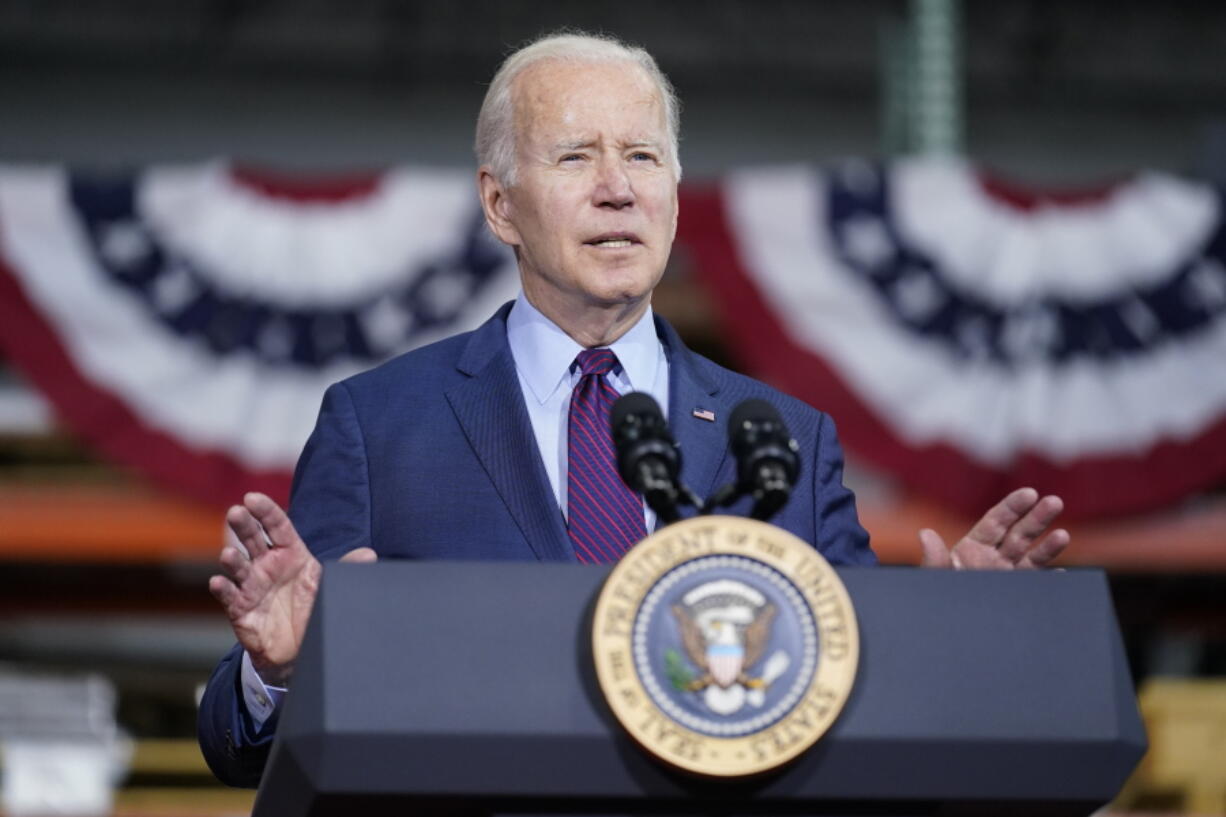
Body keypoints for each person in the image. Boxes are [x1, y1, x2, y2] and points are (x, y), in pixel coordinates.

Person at [198, 31, 1069, 787]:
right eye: (576, 156)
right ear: (500, 204)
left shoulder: (783, 440)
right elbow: (241, 750)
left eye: (644, 157)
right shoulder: (380, 424)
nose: (618, 188)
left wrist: (952, 636)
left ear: (676, 195)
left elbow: (853, 691)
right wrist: (276, 670)